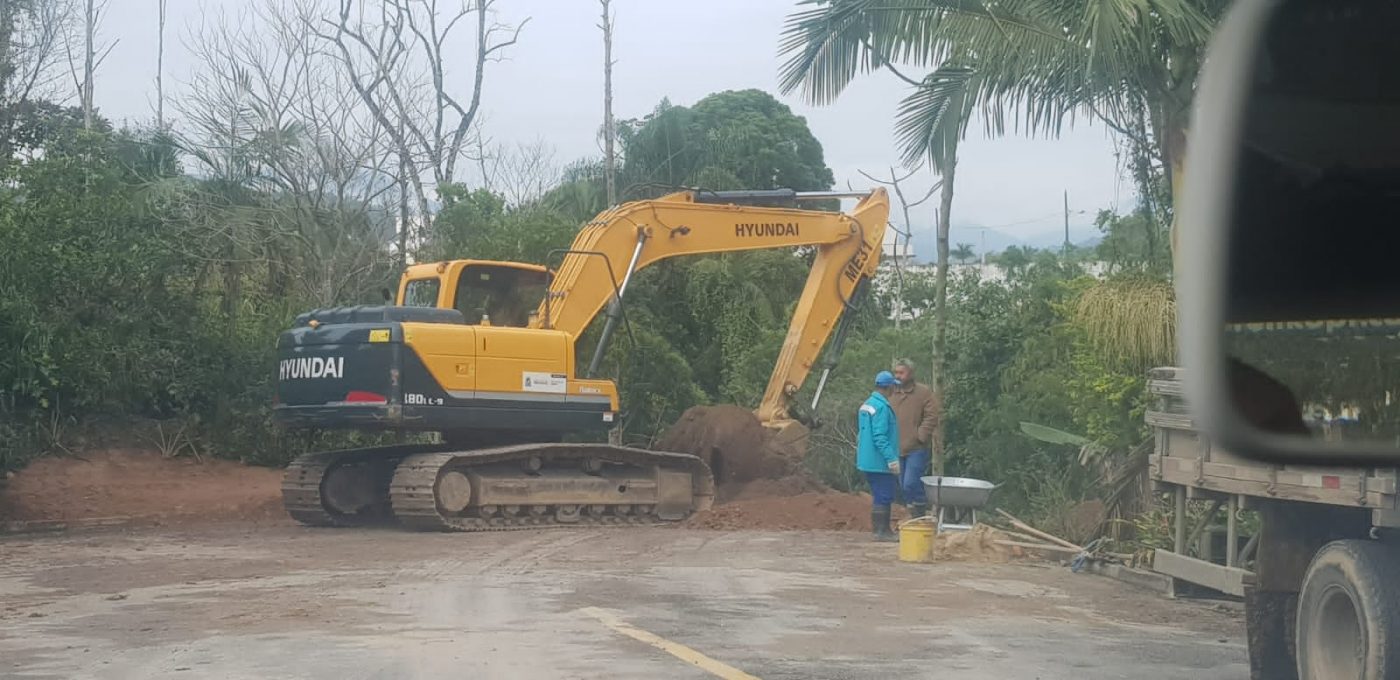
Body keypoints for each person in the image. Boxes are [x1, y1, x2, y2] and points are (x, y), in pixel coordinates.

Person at [890, 358, 941, 519]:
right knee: (901, 486)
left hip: (916, 448)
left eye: (901, 373)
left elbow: (932, 415)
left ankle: (920, 513)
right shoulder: (890, 391)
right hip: (895, 447)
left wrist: (921, 435)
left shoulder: (923, 392)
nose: (897, 376)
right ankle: (913, 517)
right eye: (896, 372)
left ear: (911, 374)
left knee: (910, 483)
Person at [856, 370, 902, 542]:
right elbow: (880, 436)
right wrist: (891, 458)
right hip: (878, 460)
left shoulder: (867, 404)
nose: (894, 391)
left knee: (878, 493)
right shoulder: (882, 407)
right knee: (884, 494)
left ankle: (881, 530)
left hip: (866, 459)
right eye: (893, 387)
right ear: (888, 386)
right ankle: (881, 531)